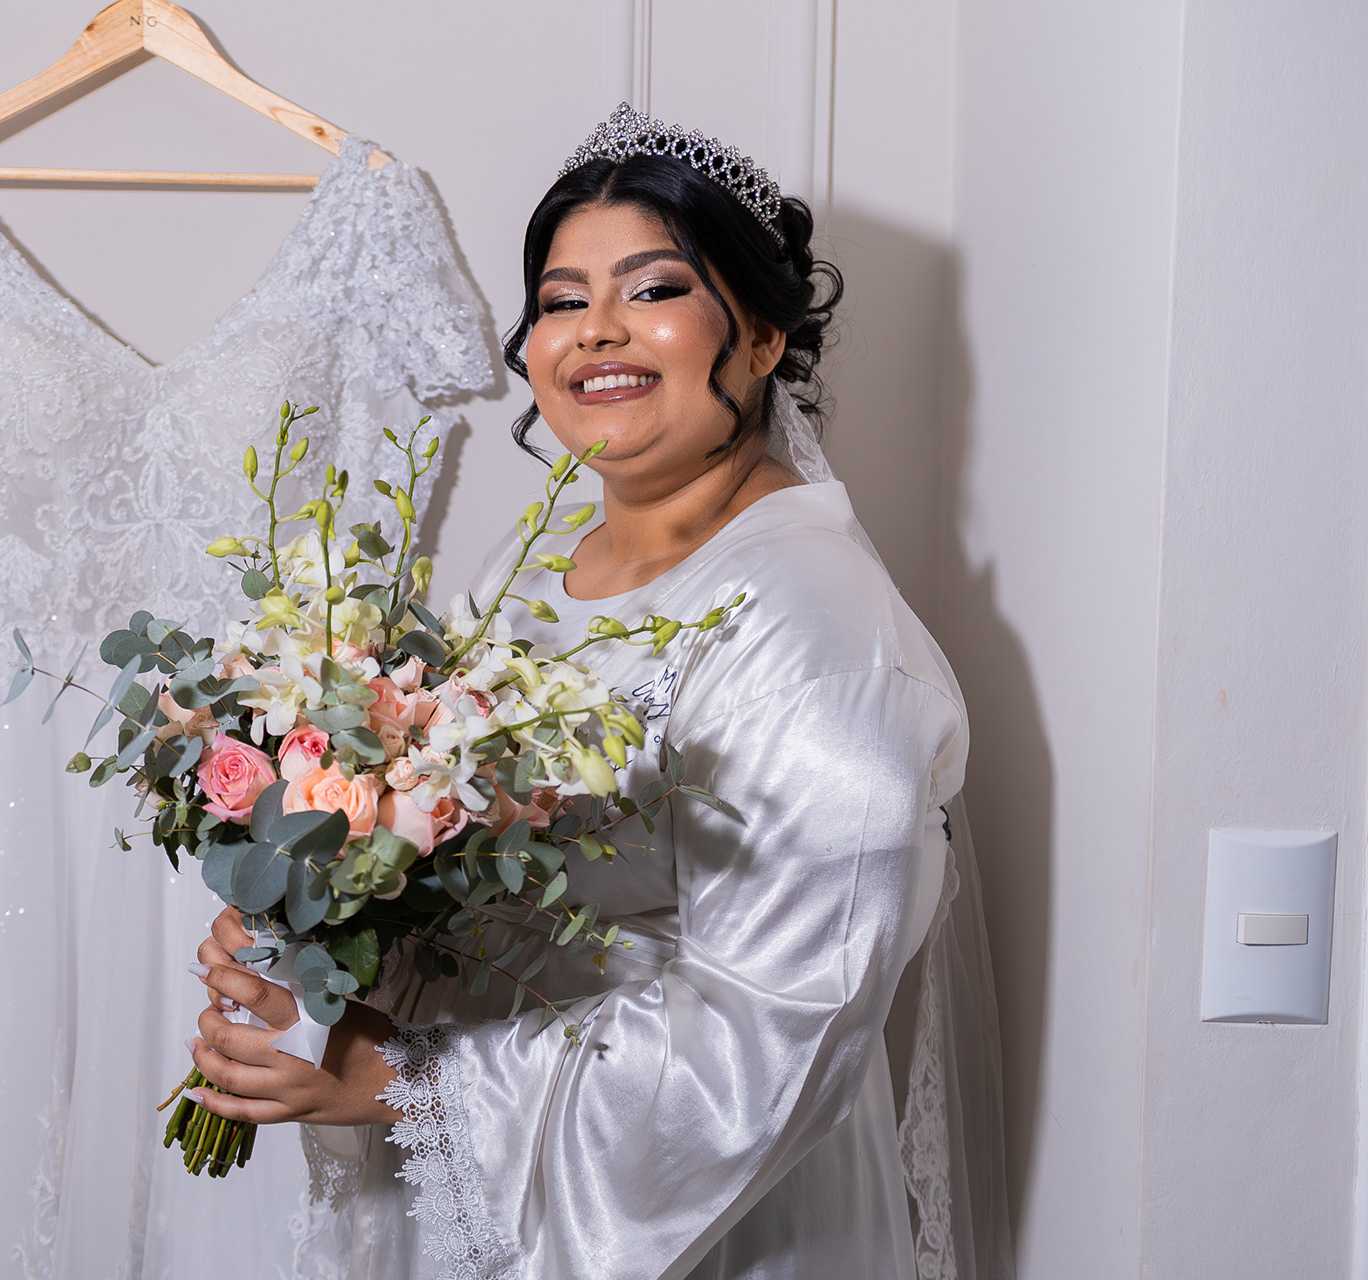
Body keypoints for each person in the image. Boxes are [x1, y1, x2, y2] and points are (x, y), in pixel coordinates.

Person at [187, 105, 1011, 1280]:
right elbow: (456, 882)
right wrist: (314, 957)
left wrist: (404, 1083)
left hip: (698, 1219)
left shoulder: (818, 627)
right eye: (562, 299)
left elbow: (777, 1031)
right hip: (468, 1188)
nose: (597, 331)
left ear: (763, 336)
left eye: (654, 288)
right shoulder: (530, 574)